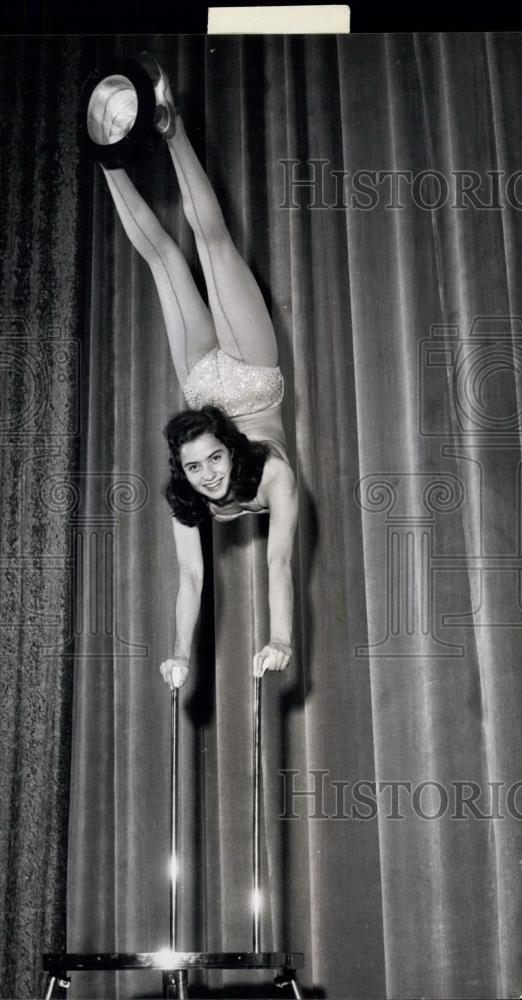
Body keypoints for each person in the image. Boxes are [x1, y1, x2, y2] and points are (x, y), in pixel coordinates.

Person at [84, 53, 298, 691]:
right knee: (214, 246)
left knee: (169, 262)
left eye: (206, 464)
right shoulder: (275, 476)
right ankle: (156, 130)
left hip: (206, 384)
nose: (206, 477)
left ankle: (112, 156)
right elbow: (269, 564)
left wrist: (180, 652)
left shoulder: (190, 487)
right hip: (255, 376)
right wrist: (277, 635)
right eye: (202, 467)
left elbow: (199, 576)